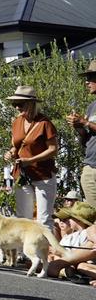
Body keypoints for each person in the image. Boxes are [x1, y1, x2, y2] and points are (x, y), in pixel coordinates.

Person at [4, 85, 59, 231]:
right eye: (14, 104)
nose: (16, 107)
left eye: (20, 104)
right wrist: (10, 153)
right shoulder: (16, 122)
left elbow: (53, 150)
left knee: (44, 219)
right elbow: (16, 146)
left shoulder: (44, 123)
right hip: (23, 175)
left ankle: (44, 253)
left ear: (31, 104)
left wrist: (31, 160)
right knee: (23, 218)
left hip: (43, 174)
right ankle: (24, 253)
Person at [67, 60, 96, 208]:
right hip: (90, 166)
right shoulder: (92, 106)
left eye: (90, 77)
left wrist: (84, 122)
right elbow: (87, 140)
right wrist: (78, 127)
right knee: (92, 215)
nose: (87, 82)